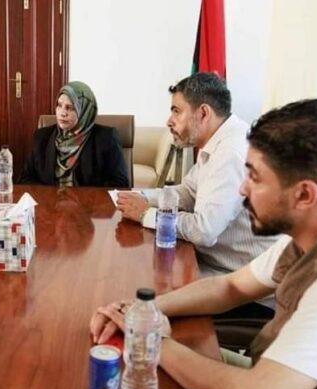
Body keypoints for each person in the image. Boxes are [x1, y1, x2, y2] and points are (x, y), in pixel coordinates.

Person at [91, 99, 317, 389]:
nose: (242, 189)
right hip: (269, 388)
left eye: (255, 177)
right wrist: (143, 309)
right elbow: (229, 287)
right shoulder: (304, 240)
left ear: (304, 195)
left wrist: (155, 342)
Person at [117, 73, 279, 279]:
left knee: (139, 279)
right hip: (213, 264)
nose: (169, 121)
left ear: (203, 113)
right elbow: (187, 193)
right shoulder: (218, 141)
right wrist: (140, 197)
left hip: (237, 277)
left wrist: (145, 214)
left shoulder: (230, 152)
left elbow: (204, 231)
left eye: (177, 111)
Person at [19, 81, 129, 188]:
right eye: (59, 105)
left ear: (85, 111)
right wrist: (49, 195)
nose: (62, 113)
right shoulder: (42, 137)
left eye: (70, 108)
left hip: (88, 200)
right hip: (49, 200)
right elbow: (24, 179)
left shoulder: (106, 138)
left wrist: (86, 197)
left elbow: (120, 183)